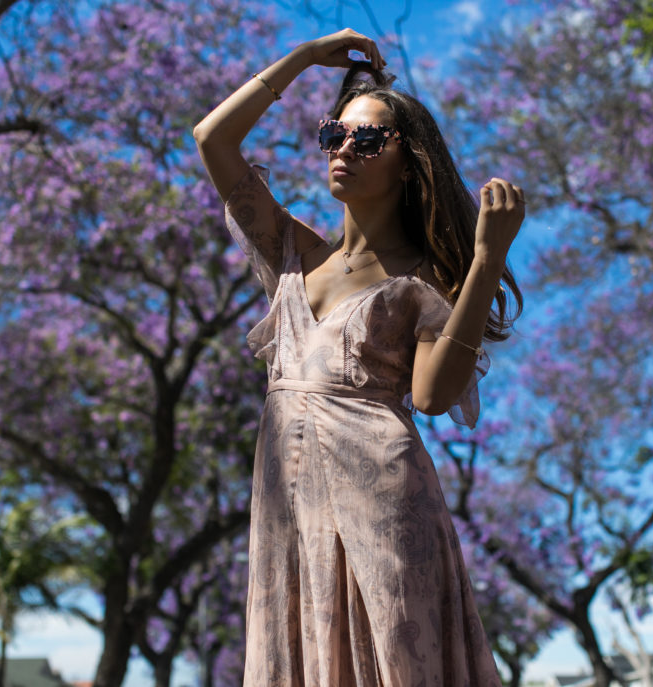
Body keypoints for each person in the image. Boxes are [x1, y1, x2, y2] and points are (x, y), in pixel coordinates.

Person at [193, 28, 525, 687]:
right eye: (333, 134)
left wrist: (487, 262)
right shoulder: (290, 253)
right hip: (288, 511)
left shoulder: (423, 283)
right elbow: (213, 140)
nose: (344, 148)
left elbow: (431, 397)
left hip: (385, 506)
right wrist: (305, 57)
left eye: (368, 138)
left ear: (409, 164)